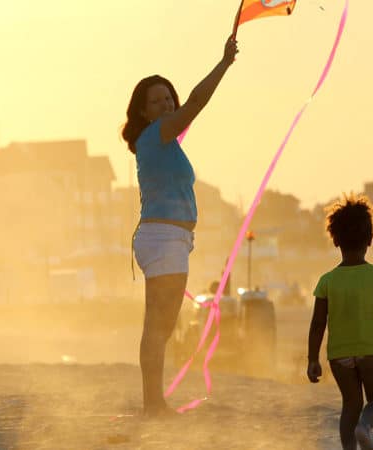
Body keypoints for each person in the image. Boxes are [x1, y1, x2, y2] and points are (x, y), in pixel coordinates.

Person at [121, 36, 239, 416]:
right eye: (156, 101)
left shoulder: (162, 141)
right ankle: (153, 403)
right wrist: (224, 63)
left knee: (160, 326)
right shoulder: (155, 135)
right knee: (159, 327)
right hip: (164, 237)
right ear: (142, 111)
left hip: (168, 238)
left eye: (167, 98)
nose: (167, 105)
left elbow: (188, 106)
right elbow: (197, 102)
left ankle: (153, 401)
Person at [307, 195, 373, 449]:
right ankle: (364, 428)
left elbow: (318, 323)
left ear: (335, 240)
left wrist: (312, 359)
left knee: (350, 405)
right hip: (371, 351)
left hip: (339, 355)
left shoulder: (327, 281)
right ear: (370, 239)